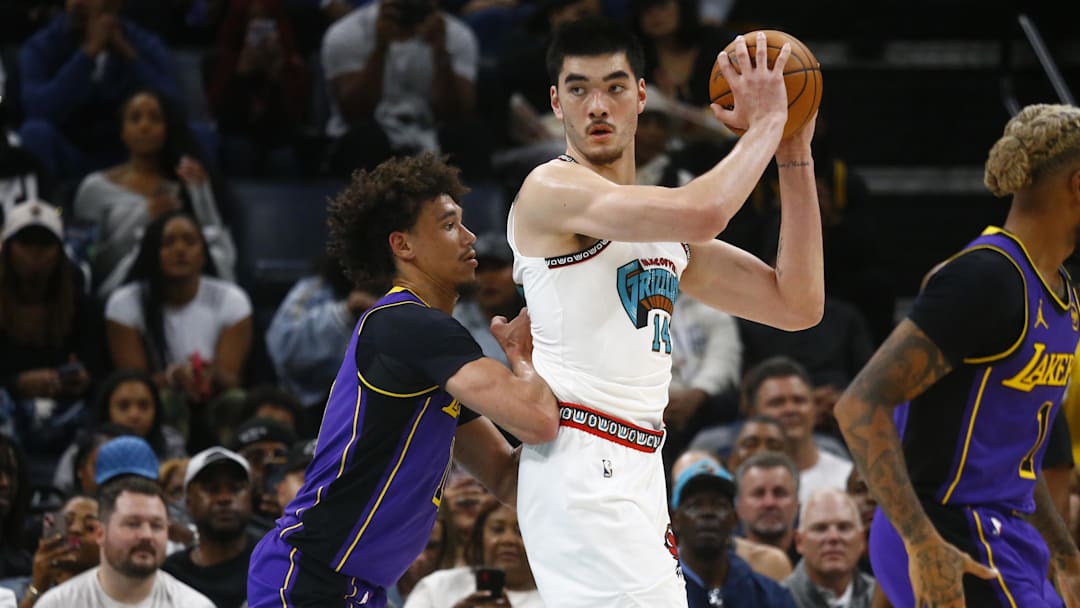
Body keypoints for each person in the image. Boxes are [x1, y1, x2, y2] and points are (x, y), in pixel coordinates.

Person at [507, 16, 822, 606]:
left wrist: (792, 150)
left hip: (641, 467)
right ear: (556, 103)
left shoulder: (663, 229)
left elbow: (796, 304)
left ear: (643, 96)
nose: (597, 104)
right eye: (578, 89)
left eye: (615, 86)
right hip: (581, 465)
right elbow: (704, 211)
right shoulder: (551, 190)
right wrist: (770, 119)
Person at [246, 153, 559, 607]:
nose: (469, 237)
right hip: (308, 575)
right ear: (404, 245)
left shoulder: (430, 353)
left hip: (358, 586)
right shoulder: (408, 324)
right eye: (450, 225)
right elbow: (536, 419)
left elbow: (507, 477)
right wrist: (522, 361)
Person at [833, 103, 1080, 607]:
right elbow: (859, 404)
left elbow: (1018, 461)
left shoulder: (1061, 295)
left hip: (1003, 530)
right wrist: (921, 543)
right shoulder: (986, 279)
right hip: (948, 526)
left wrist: (1065, 552)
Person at [104, 210, 252, 451]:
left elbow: (232, 378)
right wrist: (172, 378)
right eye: (168, 243)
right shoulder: (125, 303)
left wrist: (209, 375)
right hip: (160, 399)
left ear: (203, 254)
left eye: (190, 241)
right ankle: (166, 467)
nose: (180, 250)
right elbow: (131, 382)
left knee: (236, 401)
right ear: (152, 253)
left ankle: (233, 470)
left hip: (212, 401)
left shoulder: (231, 300)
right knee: (164, 401)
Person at [72, 89, 236, 298]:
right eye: (135, 118)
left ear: (167, 128)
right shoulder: (94, 188)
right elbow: (90, 263)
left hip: (181, 292)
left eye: (155, 118)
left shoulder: (185, 183)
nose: (145, 126)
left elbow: (221, 257)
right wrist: (143, 217)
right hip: (117, 294)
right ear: (122, 130)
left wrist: (202, 195)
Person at [16, 0, 180, 180]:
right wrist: (86, 55)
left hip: (130, 157)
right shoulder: (42, 45)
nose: (77, 2)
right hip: (70, 152)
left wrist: (130, 56)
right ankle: (46, 206)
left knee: (198, 134)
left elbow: (174, 107)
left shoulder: (141, 42)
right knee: (35, 132)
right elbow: (38, 109)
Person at [0, 201, 103, 455]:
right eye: (25, 244)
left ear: (59, 251)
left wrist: (84, 381)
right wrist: (17, 383)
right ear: (7, 249)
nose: (35, 253)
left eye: (45, 245)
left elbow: (103, 369)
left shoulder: (84, 307)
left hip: (70, 411)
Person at [33, 476, 213, 607]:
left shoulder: (193, 605)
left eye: (157, 526)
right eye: (132, 524)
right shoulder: (57, 604)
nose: (146, 535)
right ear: (100, 533)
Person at [670, 459, 797, 607]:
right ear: (675, 519)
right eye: (694, 505)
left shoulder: (768, 596)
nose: (708, 513)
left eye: (720, 505)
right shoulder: (655, 591)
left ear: (735, 519)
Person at [162, 447, 254, 608]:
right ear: (188, 502)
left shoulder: (273, 562)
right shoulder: (171, 575)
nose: (224, 498)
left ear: (250, 498)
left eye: (236, 488)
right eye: (212, 489)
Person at [404, 502, 544, 607]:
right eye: (497, 529)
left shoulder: (556, 597)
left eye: (520, 531)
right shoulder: (438, 586)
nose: (508, 540)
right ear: (479, 536)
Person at [784, 488, 876, 608]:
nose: (833, 537)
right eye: (820, 528)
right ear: (799, 541)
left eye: (844, 527)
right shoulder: (772, 600)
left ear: (861, 540)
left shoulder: (888, 599)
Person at [20, 495, 99, 608]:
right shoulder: (10, 593)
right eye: (67, 522)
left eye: (90, 527)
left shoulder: (118, 596)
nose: (75, 530)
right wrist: (38, 589)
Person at [734, 451, 801, 561]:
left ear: (797, 503)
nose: (769, 503)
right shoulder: (722, 563)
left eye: (780, 493)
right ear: (738, 505)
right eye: (758, 493)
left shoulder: (814, 562)